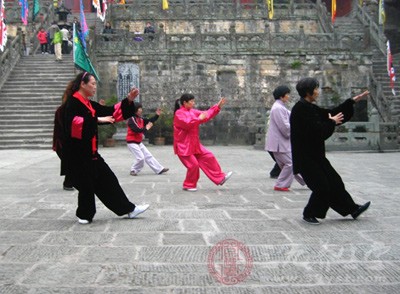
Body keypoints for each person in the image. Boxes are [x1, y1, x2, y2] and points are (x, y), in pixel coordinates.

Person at [61, 72, 149, 224]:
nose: (95, 87)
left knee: (108, 180)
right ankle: (84, 214)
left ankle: (128, 209)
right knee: (86, 185)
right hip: (78, 154)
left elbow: (112, 111)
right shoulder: (73, 103)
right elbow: (73, 123)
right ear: (83, 84)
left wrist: (128, 100)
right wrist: (96, 119)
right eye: (93, 83)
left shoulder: (89, 103)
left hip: (91, 153)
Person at [290, 77, 371, 225]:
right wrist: (331, 122)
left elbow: (331, 113)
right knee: (322, 187)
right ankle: (309, 213)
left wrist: (351, 102)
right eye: (315, 89)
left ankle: (352, 209)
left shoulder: (311, 107)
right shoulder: (299, 109)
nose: (317, 92)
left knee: (335, 182)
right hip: (306, 158)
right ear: (308, 92)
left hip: (317, 156)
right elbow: (316, 131)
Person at [173, 93, 232, 192]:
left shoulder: (192, 111)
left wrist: (217, 107)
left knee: (208, 156)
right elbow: (187, 124)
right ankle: (189, 185)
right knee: (193, 165)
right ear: (185, 103)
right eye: (191, 101)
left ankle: (220, 178)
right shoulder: (179, 113)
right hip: (183, 145)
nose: (193, 103)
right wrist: (198, 119)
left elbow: (206, 114)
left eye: (193, 101)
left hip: (194, 144)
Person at [266, 85, 305, 191]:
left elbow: (292, 117)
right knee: (291, 163)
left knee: (288, 164)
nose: (288, 96)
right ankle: (281, 184)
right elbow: (285, 126)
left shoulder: (280, 107)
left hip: (279, 142)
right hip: (279, 143)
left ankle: (307, 180)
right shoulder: (278, 108)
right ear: (282, 96)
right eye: (287, 94)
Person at [126, 103, 169, 176]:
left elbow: (150, 120)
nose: (141, 110)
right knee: (140, 158)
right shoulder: (131, 119)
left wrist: (157, 115)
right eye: (140, 109)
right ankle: (133, 170)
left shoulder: (141, 119)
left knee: (148, 156)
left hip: (138, 142)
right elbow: (137, 130)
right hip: (132, 143)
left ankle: (159, 169)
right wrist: (146, 128)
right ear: (135, 110)